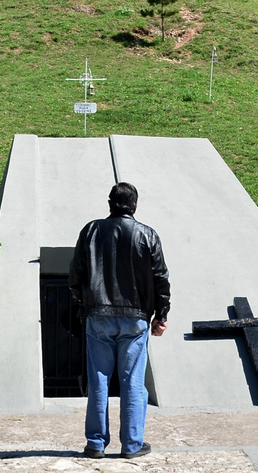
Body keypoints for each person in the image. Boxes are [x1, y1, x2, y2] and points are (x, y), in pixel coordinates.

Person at [69, 181, 170, 459]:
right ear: (135, 206)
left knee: (98, 380)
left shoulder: (90, 231)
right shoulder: (147, 234)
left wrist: (84, 305)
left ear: (110, 203)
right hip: (136, 318)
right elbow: (161, 279)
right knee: (133, 382)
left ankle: (96, 444)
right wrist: (161, 316)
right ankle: (132, 444)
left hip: (97, 316)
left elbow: (75, 277)